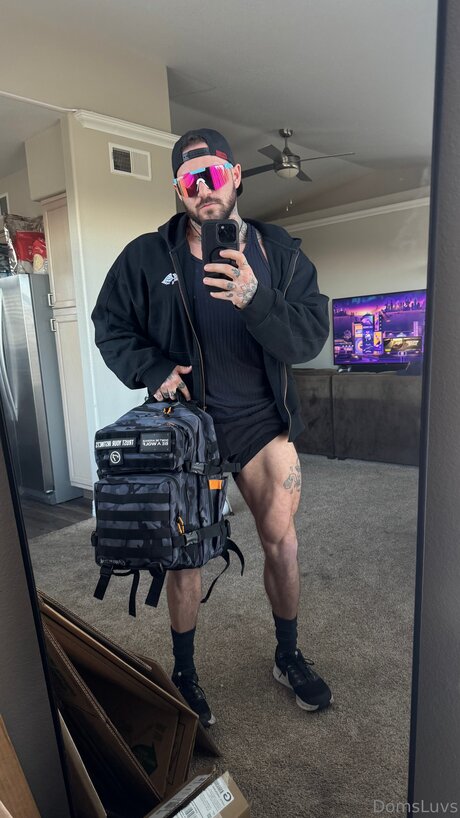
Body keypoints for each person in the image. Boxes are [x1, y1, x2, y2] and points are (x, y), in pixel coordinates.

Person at [91, 128, 332, 726]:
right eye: (190, 179)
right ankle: (185, 673)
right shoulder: (147, 256)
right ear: (179, 190)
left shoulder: (280, 254)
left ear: (236, 177)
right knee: (185, 557)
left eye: (214, 174)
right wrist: (151, 370)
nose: (204, 188)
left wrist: (255, 297)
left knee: (282, 540)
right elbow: (109, 323)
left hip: (261, 424)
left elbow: (308, 337)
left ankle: (287, 654)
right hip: (188, 432)